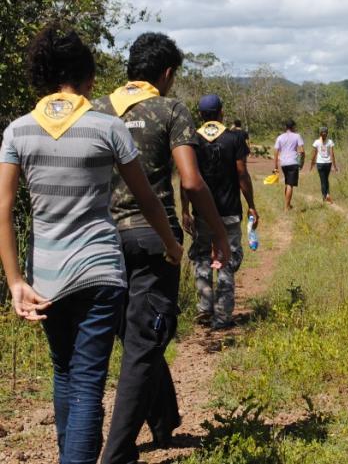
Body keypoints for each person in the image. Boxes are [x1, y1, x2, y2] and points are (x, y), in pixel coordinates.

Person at [0, 26, 183, 464]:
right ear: (88, 78)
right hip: (100, 271)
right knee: (87, 383)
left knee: (64, 374)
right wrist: (171, 244)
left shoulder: (17, 132)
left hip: (45, 274)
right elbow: (147, 198)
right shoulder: (107, 127)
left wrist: (15, 281)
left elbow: (2, 211)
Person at [92, 32, 230, 464]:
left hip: (98, 239)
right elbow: (190, 180)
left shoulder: (95, 109)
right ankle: (116, 454)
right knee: (144, 343)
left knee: (137, 335)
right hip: (154, 237)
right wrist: (220, 234)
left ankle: (163, 418)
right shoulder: (169, 109)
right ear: (167, 73)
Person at [182, 94, 259, 330]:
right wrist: (251, 204)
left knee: (203, 256)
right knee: (227, 258)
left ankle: (205, 307)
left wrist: (185, 209)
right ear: (221, 112)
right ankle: (223, 315)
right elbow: (242, 174)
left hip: (202, 211)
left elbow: (186, 178)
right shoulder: (234, 138)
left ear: (200, 115)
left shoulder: (192, 139)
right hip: (229, 211)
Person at [274, 119, 304, 211]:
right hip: (293, 162)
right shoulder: (297, 136)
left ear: (285, 127)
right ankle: (286, 207)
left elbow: (276, 152)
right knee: (290, 185)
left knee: (287, 183)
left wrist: (276, 166)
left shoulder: (280, 137)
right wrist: (301, 162)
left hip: (283, 163)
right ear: (293, 127)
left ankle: (288, 204)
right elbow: (302, 151)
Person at [310, 126, 337, 202]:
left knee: (323, 180)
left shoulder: (316, 142)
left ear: (320, 133)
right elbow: (332, 154)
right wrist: (334, 166)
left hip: (320, 163)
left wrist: (312, 164)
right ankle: (328, 194)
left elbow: (314, 154)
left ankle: (324, 197)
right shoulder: (330, 142)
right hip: (328, 163)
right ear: (327, 133)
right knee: (326, 179)